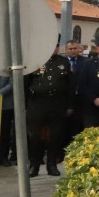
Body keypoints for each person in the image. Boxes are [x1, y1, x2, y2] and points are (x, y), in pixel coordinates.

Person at [24, 46, 74, 176]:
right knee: (35, 136)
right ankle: (34, 165)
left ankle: (51, 165)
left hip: (57, 104)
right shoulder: (34, 61)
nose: (53, 49)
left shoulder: (64, 62)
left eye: (55, 46)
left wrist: (70, 106)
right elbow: (25, 84)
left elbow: (70, 85)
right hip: (37, 104)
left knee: (56, 135)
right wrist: (24, 106)